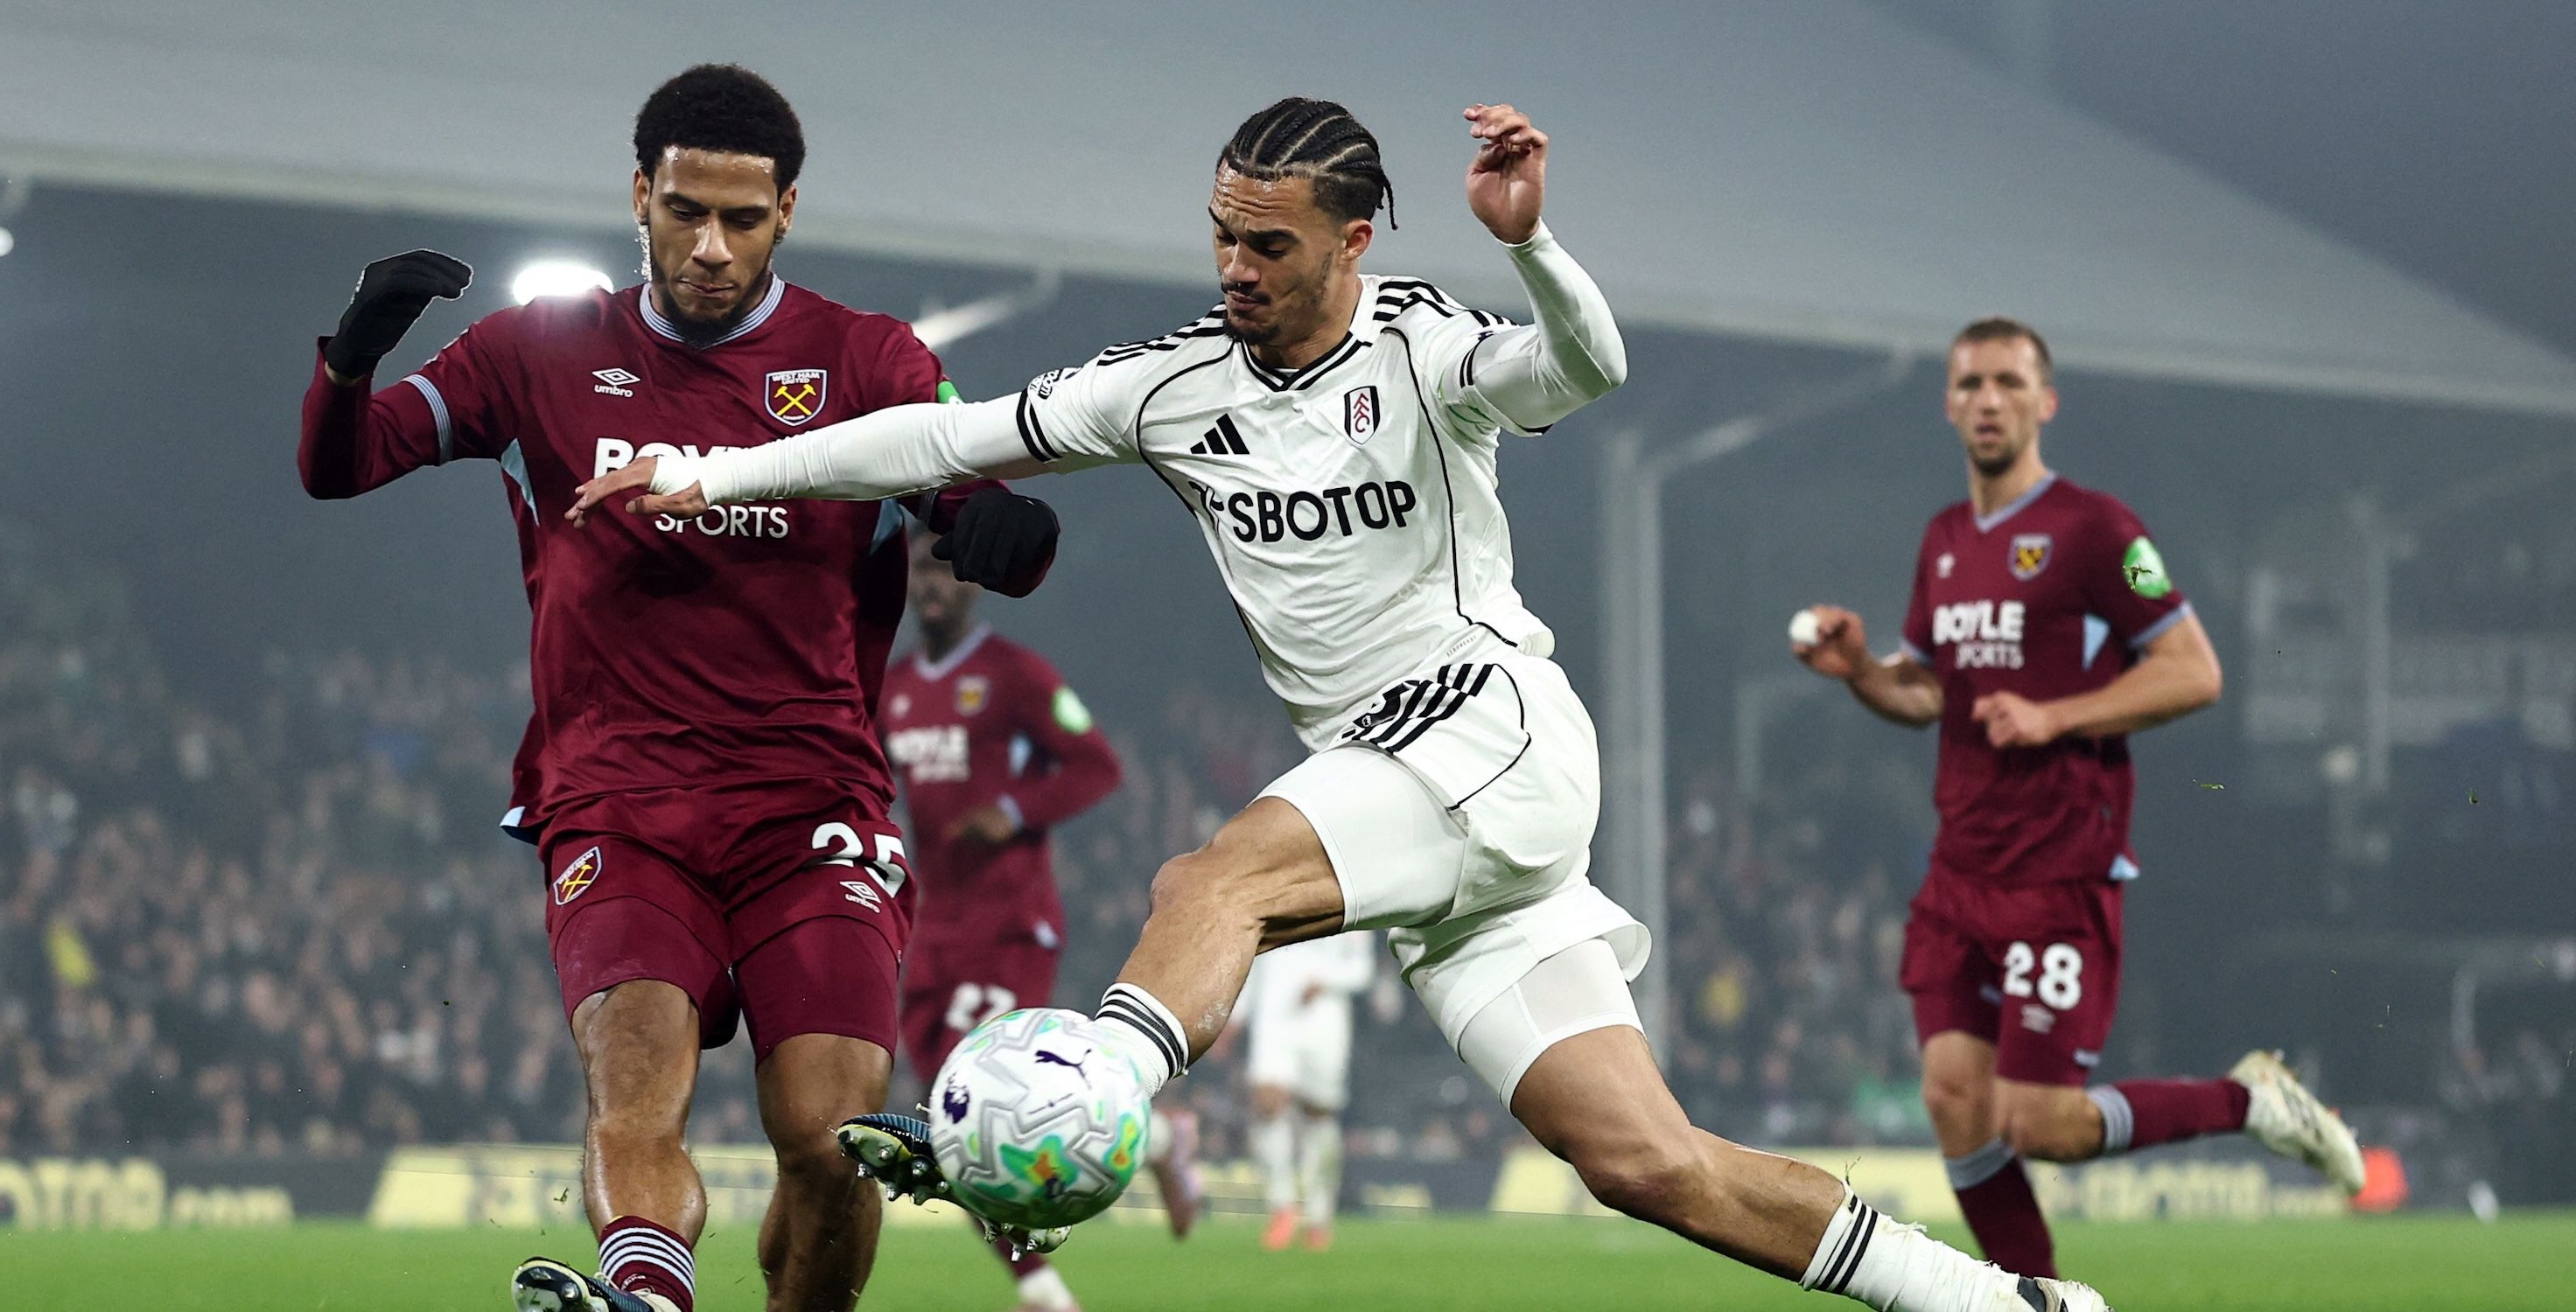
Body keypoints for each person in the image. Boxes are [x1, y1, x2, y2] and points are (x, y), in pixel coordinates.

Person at [577, 97, 2109, 1311]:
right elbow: (935, 440)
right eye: (1221, 236)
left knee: (1208, 882)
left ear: (1354, 239)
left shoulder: (1427, 350)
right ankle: (2005, 1304)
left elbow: (1587, 367)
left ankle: (1078, 1107)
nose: (1234, 269)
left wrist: (1532, 242)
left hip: (1490, 728)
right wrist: (711, 473)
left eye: (1270, 244)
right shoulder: (1172, 386)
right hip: (1410, 807)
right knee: (1649, 1166)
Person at [296, 64, 1063, 1312]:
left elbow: (975, 501)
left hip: (810, 807)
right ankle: (650, 1299)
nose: (711, 248)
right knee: (635, 1087)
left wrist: (1000, 531)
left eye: (742, 220)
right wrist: (350, 360)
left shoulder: (865, 358)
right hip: (617, 800)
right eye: (685, 212)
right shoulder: (537, 350)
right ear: (639, 197)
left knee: (831, 1142)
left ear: (787, 212)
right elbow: (342, 465)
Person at [1790, 318, 2363, 1279]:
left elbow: (2194, 671)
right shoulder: (1944, 540)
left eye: (2009, 382)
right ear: (1948, 403)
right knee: (1953, 1098)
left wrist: (2055, 717)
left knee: (2041, 1124)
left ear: (2045, 402)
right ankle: (2044, 1302)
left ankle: (2252, 1102)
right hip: (1960, 869)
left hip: (2058, 870)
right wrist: (1862, 672)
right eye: (1971, 383)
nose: (1988, 400)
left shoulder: (2098, 530)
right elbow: (1927, 693)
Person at [879, 533, 1200, 1312]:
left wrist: (1015, 810)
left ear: (973, 584)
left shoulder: (1013, 674)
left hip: (1009, 920)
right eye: (921, 568)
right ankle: (1161, 1139)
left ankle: (1044, 1294)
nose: (933, 585)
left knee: (970, 1102)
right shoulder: (893, 690)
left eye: (948, 570)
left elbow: (1097, 765)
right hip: (933, 924)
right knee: (941, 1111)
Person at [1236, 931, 1375, 1252]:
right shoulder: (1270, 901)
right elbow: (1252, 959)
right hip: (1274, 1016)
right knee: (1267, 1105)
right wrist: (1237, 1014)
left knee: (1318, 1116)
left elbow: (1362, 969)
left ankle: (1318, 1215)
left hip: (1323, 1019)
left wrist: (1325, 982)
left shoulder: (1352, 909)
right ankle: (1282, 1206)